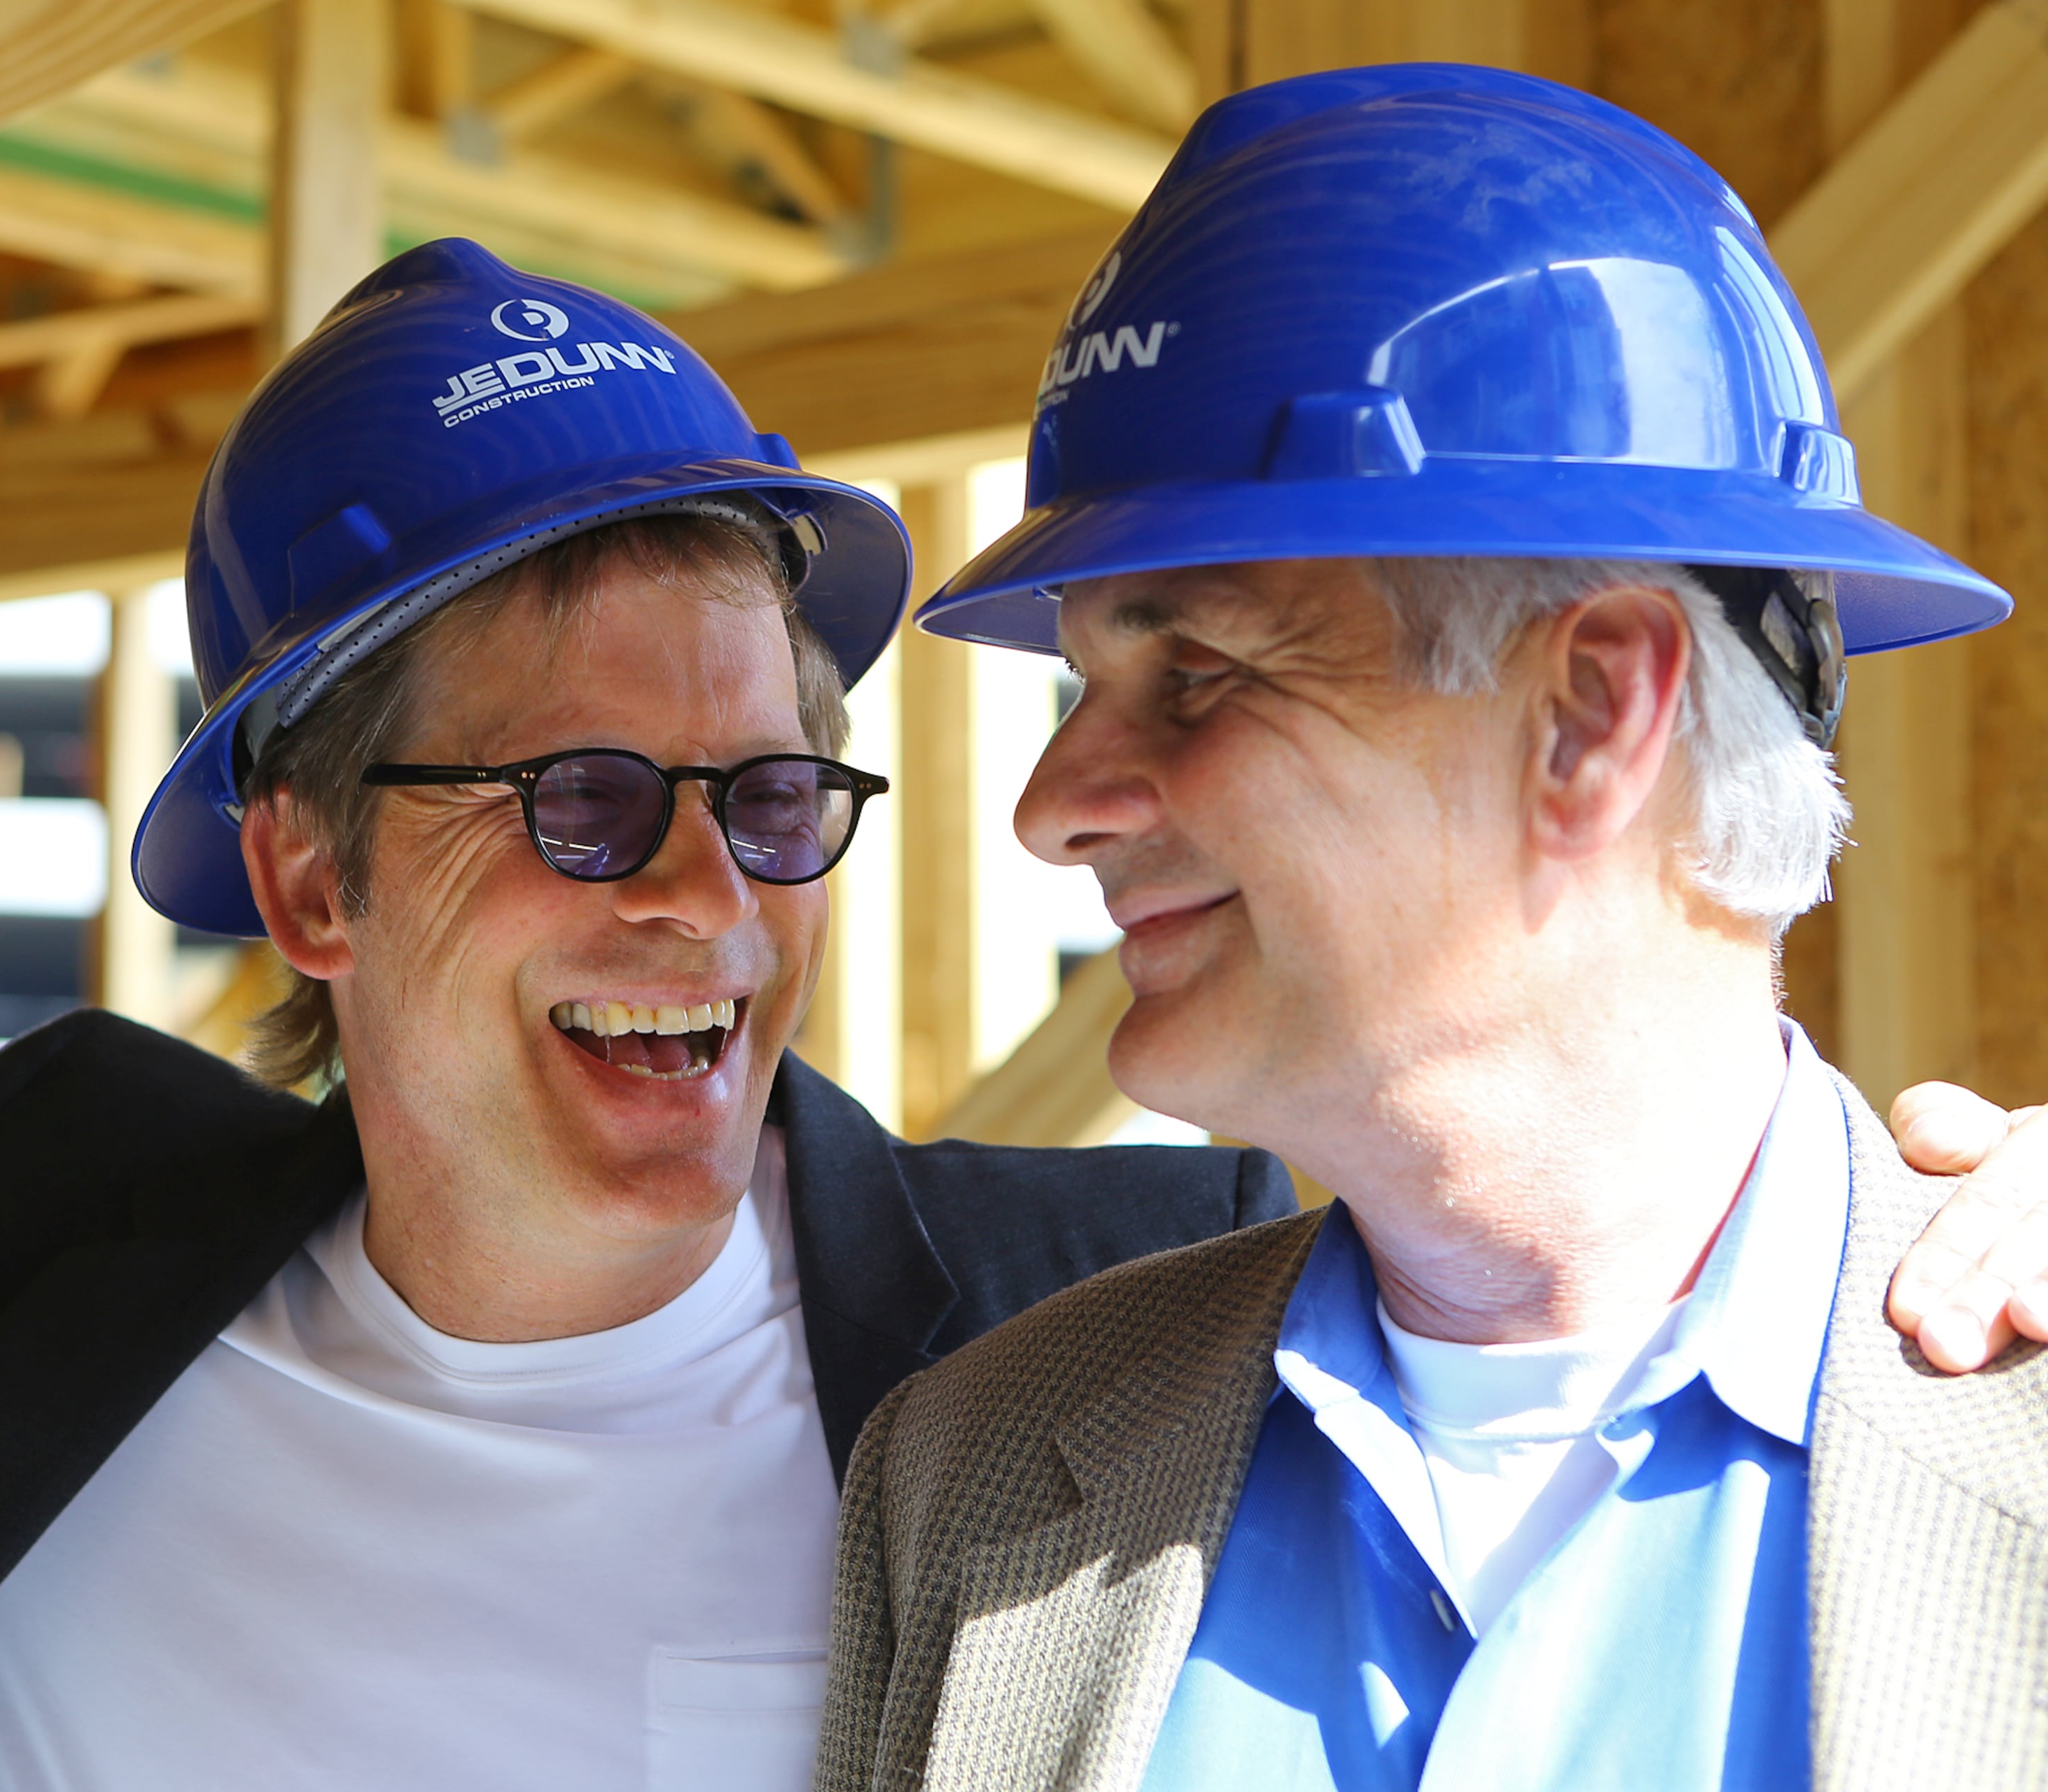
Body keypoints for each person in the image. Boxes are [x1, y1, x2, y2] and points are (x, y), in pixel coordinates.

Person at [0, 237, 2021, 1792]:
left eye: (767, 799)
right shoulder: (9, 1254)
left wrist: (1954, 1238)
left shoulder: (1095, 1340)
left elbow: (1618, 1252)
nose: (706, 906)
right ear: (305, 871)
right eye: (586, 804)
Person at [819, 66, 2048, 1792]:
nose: (1053, 803)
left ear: (1593, 713)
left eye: (1198, 672)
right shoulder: (964, 1477)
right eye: (1080, 684)